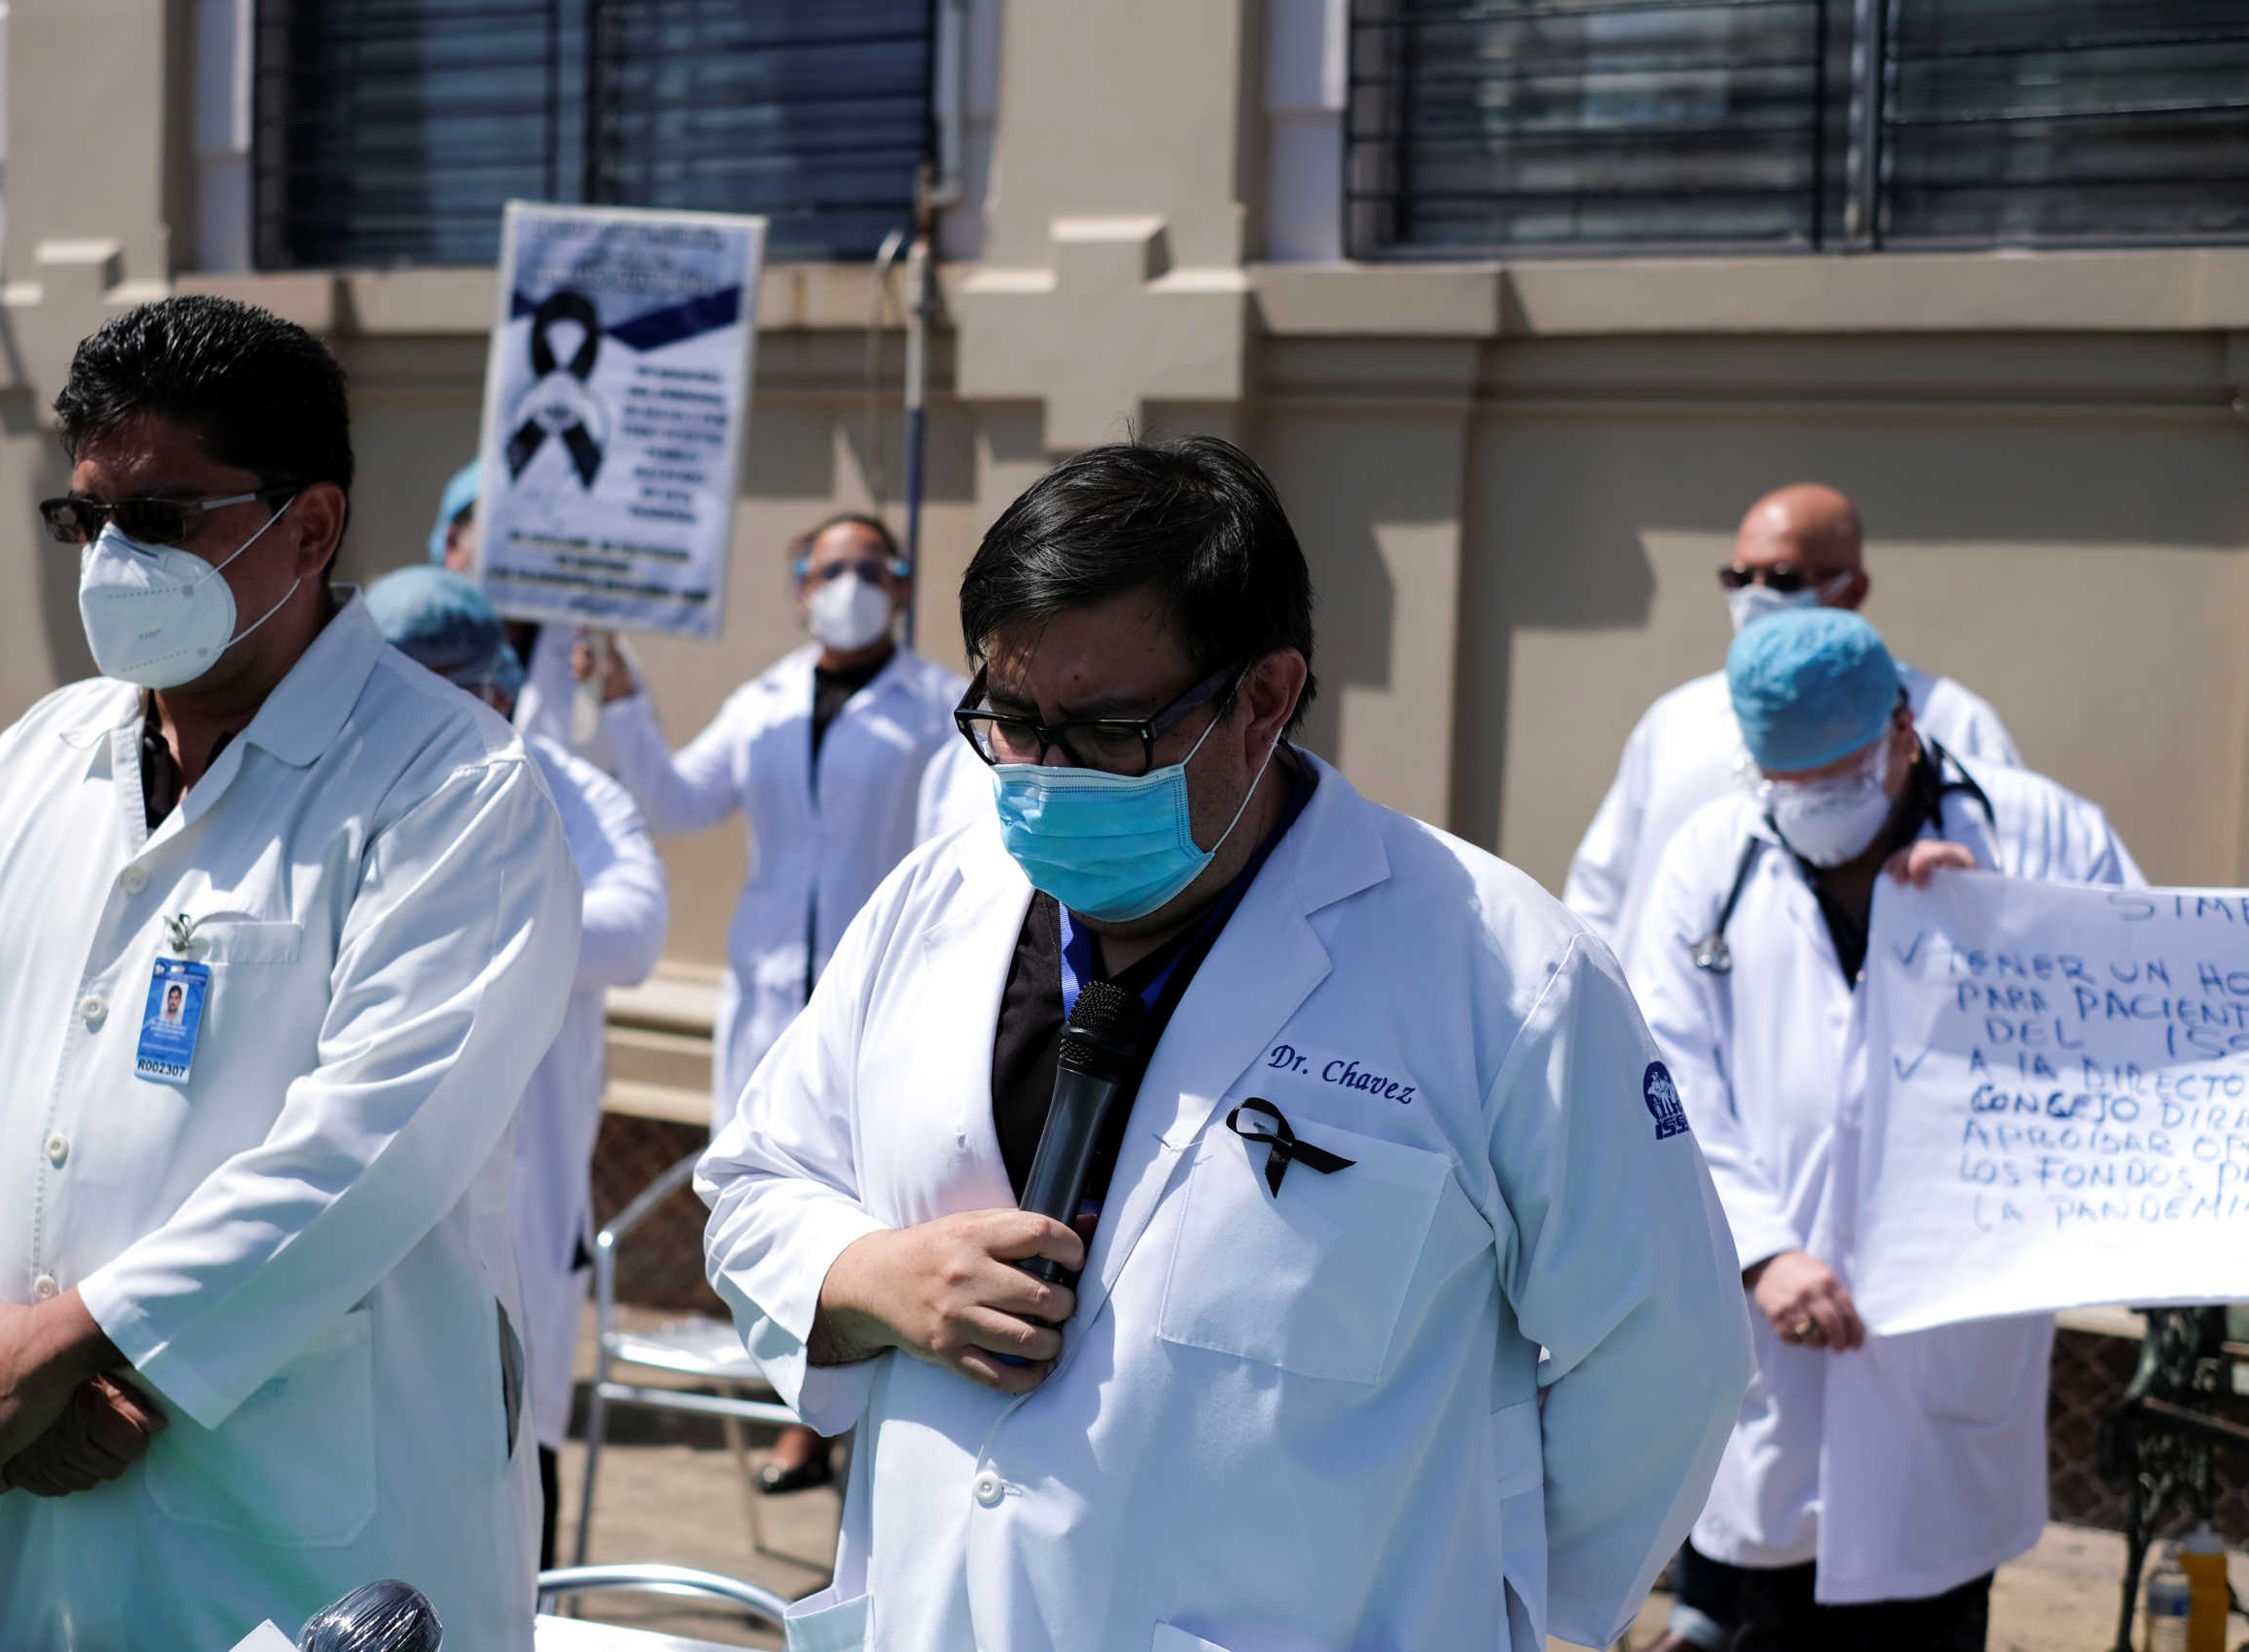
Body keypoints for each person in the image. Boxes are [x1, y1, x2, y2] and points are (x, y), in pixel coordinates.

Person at [696, 437, 1753, 1652]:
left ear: (1261, 698)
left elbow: (1664, 1354)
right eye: (1009, 722)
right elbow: (755, 1180)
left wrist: (1484, 1587)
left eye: (1105, 731)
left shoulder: (1499, 971)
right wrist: (865, 1277)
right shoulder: (938, 898)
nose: (1044, 777)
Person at [0, 295, 580, 1652]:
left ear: (310, 526)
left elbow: (374, 1149)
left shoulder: (452, 789)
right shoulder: (33, 764)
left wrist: (73, 1340)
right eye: (86, 519)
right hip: (26, 1497)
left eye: (164, 517)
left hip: (309, 1541)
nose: (115, 558)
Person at [1626, 609, 2141, 1652]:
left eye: (1836, 771)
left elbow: (2123, 1031)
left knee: (1929, 1610)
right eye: (1785, 778)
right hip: (1767, 1350)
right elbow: (1658, 1069)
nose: (1808, 800)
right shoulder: (1707, 853)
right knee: (1744, 1605)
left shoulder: (2042, 838)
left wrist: (2001, 928)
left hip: (1940, 1353)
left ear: (1902, 729)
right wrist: (1761, 1247)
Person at [597, 510, 962, 1493]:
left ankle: (855, 1424)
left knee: (877, 1200)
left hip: (888, 997)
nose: (848, 581)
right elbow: (674, 804)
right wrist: (627, 706)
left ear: (898, 581)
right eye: (828, 566)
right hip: (765, 999)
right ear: (799, 585)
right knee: (776, 1199)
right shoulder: (761, 702)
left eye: (868, 565)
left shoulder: (941, 707)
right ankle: (800, 1412)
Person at [370, 564, 669, 1566]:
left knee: (502, 1464)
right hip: (366, 1183)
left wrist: (469, 922)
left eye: (458, 690)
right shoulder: (333, 782)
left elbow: (634, 929)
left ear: (499, 687)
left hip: (523, 1185)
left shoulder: (562, 784)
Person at [1566, 483, 2019, 965]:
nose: (1755, 597)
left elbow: (2012, 873)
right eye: (1739, 579)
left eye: (1782, 579)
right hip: (1675, 1004)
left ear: (1854, 588)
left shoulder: (1953, 720)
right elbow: (1601, 887)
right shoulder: (1674, 722)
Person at [429, 457, 611, 770]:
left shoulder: (593, 650)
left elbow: (638, 789)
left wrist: (609, 694)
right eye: (505, 531)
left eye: (537, 530)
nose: (524, 547)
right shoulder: (407, 642)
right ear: (452, 544)